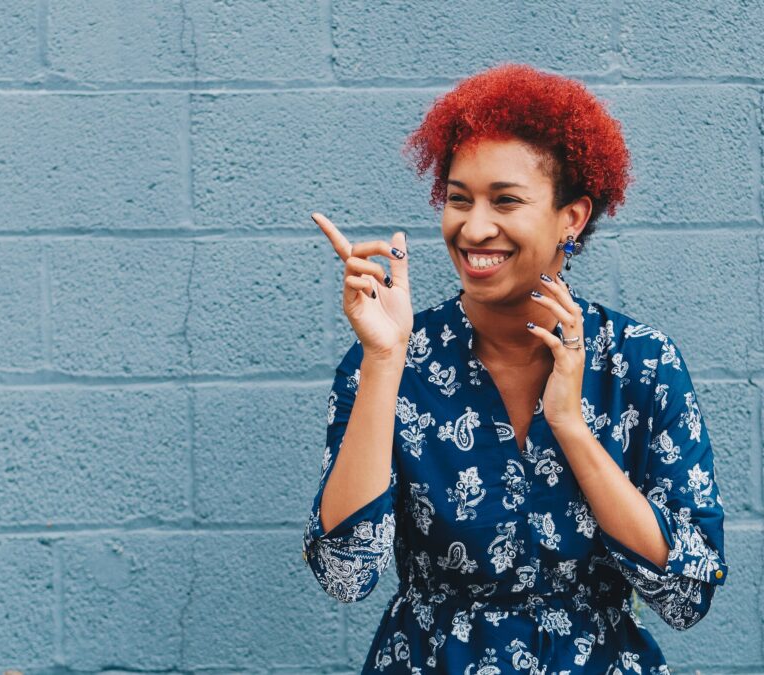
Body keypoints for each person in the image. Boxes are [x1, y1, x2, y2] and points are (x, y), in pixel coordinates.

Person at [302, 62, 728, 673]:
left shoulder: (641, 363)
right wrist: (384, 360)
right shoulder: (391, 356)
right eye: (457, 199)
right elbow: (344, 574)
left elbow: (688, 594)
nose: (474, 228)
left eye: (506, 200)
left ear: (571, 219)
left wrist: (573, 430)